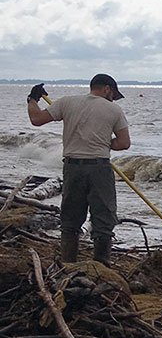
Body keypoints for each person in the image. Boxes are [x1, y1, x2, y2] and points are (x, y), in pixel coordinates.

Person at [25, 74, 131, 265]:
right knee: (104, 219)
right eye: (113, 94)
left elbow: (36, 119)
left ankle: (67, 266)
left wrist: (32, 99)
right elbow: (124, 143)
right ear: (107, 89)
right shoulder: (114, 110)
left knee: (70, 221)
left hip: (72, 168)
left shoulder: (66, 102)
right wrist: (105, 142)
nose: (113, 99)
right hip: (99, 168)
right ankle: (101, 266)